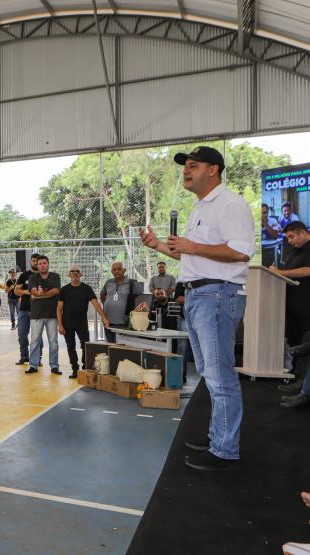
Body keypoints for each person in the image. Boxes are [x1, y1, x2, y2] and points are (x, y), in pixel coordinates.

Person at [140, 145, 254, 471]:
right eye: (185, 166)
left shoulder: (230, 205)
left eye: (193, 165)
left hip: (217, 295)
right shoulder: (200, 208)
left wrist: (193, 246)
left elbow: (242, 252)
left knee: (220, 377)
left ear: (213, 169)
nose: (186, 171)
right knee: (208, 373)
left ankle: (225, 450)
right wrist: (160, 245)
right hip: (197, 296)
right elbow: (190, 255)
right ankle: (220, 436)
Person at [270, 222, 310, 408]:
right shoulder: (293, 252)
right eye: (287, 238)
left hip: (307, 306)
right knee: (296, 343)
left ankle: (304, 385)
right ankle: (299, 380)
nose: (290, 241)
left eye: (292, 237)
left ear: (303, 232)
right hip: (293, 306)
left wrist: (281, 272)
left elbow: (307, 270)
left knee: (306, 343)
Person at [57, 265, 110, 378]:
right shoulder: (64, 290)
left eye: (77, 272)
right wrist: (60, 325)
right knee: (70, 347)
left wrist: (104, 317)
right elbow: (59, 309)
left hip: (82, 323)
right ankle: (75, 370)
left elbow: (95, 303)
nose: (75, 273)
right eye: (72, 272)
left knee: (85, 346)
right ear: (69, 275)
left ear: (81, 274)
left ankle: (85, 367)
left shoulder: (86, 288)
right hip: (67, 324)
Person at [25, 255, 62, 375]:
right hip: (36, 315)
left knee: (53, 341)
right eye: (40, 264)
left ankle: (54, 365)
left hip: (52, 314)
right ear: (37, 265)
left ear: (48, 264)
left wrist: (39, 296)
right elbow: (33, 291)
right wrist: (43, 293)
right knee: (35, 341)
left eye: (44, 263)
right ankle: (33, 365)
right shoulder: (33, 277)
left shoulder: (55, 276)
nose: (42, 265)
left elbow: (55, 291)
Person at [100, 261, 138, 343]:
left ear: (124, 270)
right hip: (109, 322)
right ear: (111, 271)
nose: (116, 271)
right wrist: (106, 305)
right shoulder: (109, 282)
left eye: (119, 269)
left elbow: (139, 301)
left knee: (123, 350)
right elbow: (102, 294)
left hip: (125, 323)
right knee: (111, 347)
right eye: (114, 269)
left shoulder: (132, 283)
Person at [13, 254, 40, 364]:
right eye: (33, 261)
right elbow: (16, 291)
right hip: (24, 310)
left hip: (38, 311)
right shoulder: (24, 275)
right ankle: (24, 356)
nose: (35, 263)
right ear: (30, 262)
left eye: (37, 261)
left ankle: (37, 358)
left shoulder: (44, 275)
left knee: (37, 337)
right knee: (22, 334)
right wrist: (26, 292)